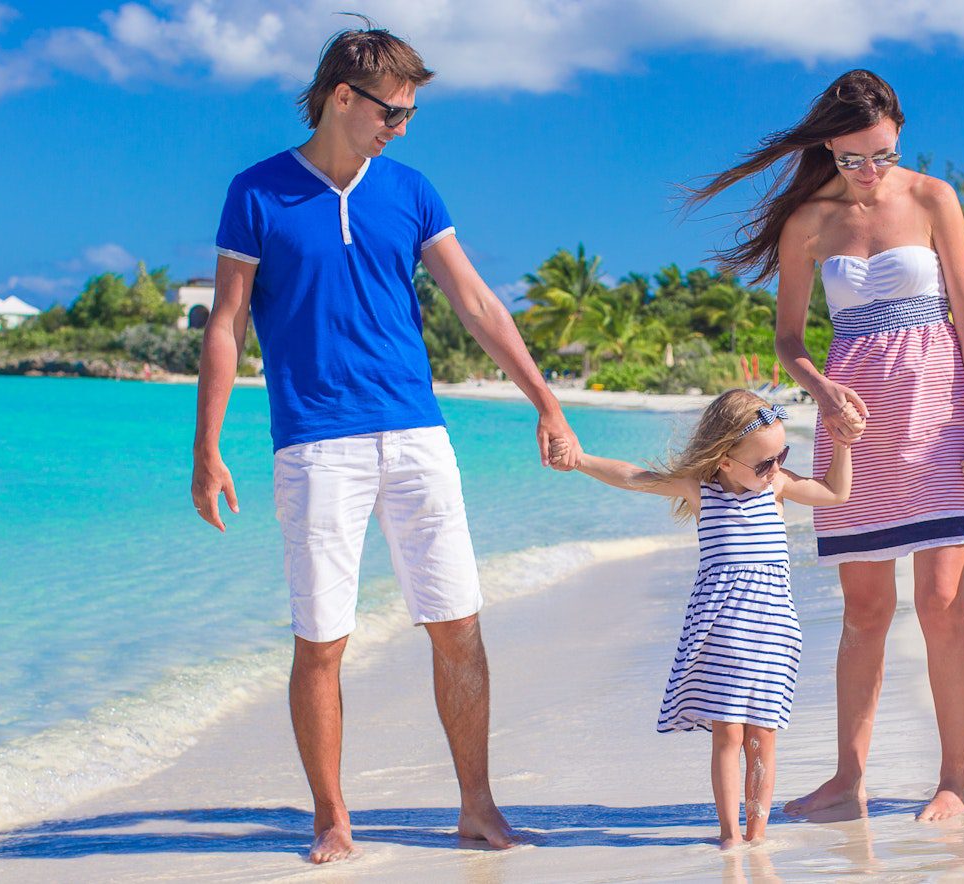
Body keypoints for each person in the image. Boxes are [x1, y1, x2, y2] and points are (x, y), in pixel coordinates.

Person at [188, 24, 581, 862]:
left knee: (458, 626)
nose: (401, 127)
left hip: (415, 436)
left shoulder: (410, 190)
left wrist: (545, 403)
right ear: (341, 97)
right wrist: (207, 447)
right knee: (322, 639)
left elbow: (476, 303)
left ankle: (477, 805)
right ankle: (332, 817)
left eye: (408, 113)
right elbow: (225, 324)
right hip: (314, 445)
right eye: (392, 111)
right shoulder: (255, 193)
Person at [684, 69, 964, 821]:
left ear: (899, 141)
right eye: (854, 158)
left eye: (883, 155)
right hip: (854, 426)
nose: (869, 173)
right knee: (864, 610)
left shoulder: (933, 199)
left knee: (941, 601)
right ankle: (848, 781)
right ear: (829, 143)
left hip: (940, 414)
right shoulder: (808, 221)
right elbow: (790, 339)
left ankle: (954, 780)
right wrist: (821, 392)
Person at [561, 390, 852, 846]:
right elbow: (635, 476)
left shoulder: (777, 487)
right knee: (728, 735)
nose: (776, 468)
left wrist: (842, 444)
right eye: (764, 463)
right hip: (722, 634)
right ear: (723, 461)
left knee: (763, 739)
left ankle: (758, 833)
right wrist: (580, 460)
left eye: (782, 456)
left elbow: (835, 492)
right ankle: (730, 834)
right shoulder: (702, 491)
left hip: (773, 631)